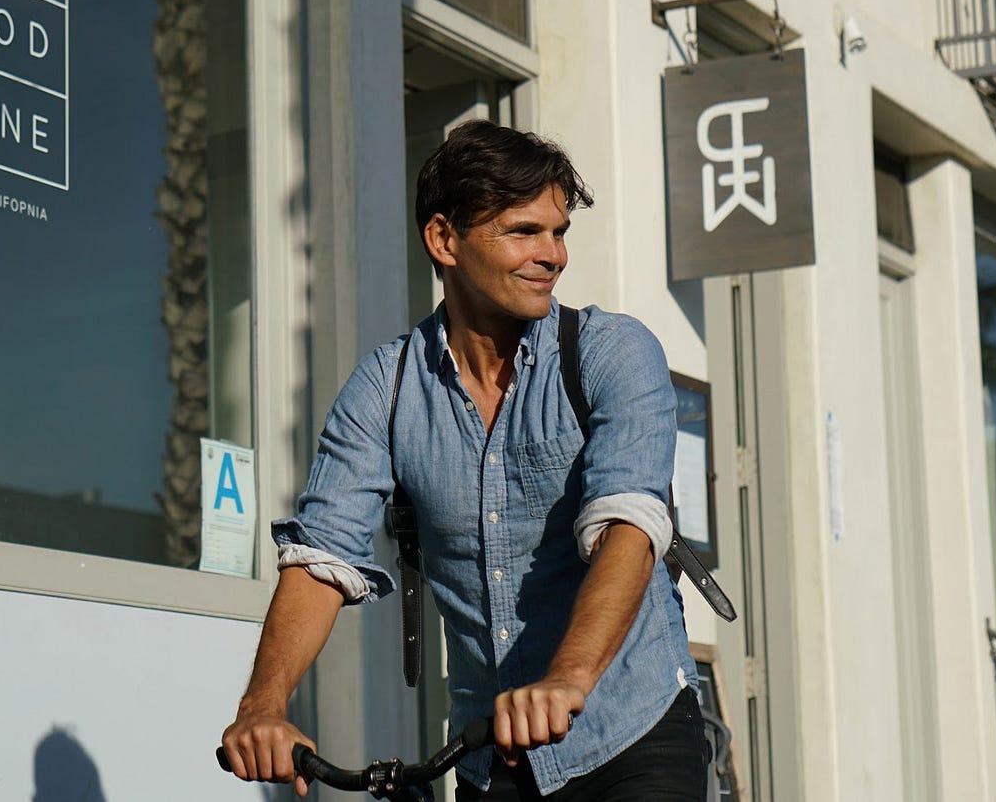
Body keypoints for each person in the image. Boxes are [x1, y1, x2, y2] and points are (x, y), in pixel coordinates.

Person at [221, 120, 706, 800]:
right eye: (522, 232)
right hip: (493, 752)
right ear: (445, 240)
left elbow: (629, 526)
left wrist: (567, 680)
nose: (553, 255)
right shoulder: (384, 390)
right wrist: (263, 708)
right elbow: (321, 557)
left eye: (558, 231)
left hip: (633, 734)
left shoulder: (611, 353)